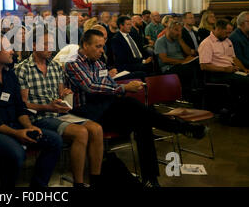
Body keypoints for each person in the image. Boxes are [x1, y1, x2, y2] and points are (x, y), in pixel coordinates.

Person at [65, 29, 208, 187]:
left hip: (106, 108)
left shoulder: (98, 62)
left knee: (143, 122)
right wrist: (125, 89)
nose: (102, 51)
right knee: (131, 104)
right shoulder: (73, 62)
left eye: (103, 46)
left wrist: (120, 88)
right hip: (87, 112)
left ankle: (150, 178)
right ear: (85, 45)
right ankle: (180, 127)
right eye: (98, 47)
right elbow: (90, 87)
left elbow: (109, 84)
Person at [0, 33, 63, 187]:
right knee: (16, 153)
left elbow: (20, 107)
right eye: (8, 48)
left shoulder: (9, 74)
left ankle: (38, 187)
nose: (12, 51)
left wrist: (29, 127)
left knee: (54, 140)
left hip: (13, 125)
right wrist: (16, 134)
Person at [15, 27, 104, 188]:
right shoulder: (23, 69)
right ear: (34, 45)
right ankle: (79, 183)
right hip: (39, 117)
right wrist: (48, 106)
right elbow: (23, 104)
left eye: (52, 43)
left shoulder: (55, 67)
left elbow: (60, 93)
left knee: (96, 129)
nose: (51, 47)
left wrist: (64, 95)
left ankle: (96, 179)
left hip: (57, 113)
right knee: (81, 133)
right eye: (46, 43)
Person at [199, 19, 249, 110]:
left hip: (230, 71)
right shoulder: (206, 43)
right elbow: (204, 66)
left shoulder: (227, 41)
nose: (229, 35)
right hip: (216, 74)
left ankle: (241, 109)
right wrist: (225, 69)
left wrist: (244, 69)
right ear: (218, 29)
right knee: (246, 82)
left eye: (230, 32)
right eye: (227, 32)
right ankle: (239, 111)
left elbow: (234, 58)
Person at [154, 21, 199, 100]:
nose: (178, 33)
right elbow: (164, 59)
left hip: (181, 65)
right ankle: (188, 95)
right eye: (176, 30)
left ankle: (195, 93)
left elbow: (188, 52)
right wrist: (183, 61)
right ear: (168, 29)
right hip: (169, 68)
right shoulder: (161, 41)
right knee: (188, 70)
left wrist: (180, 40)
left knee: (198, 64)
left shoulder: (177, 39)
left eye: (180, 30)